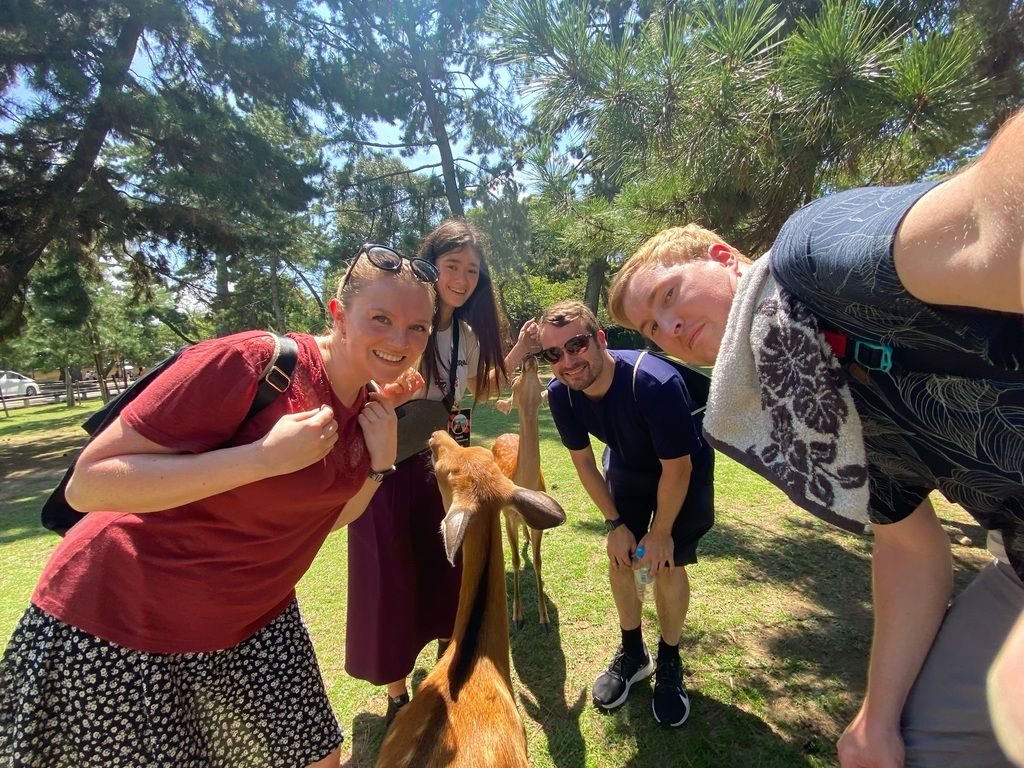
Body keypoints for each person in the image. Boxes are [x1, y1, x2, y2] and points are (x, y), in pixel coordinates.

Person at [607, 108, 1024, 767]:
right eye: (650, 330)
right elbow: (910, 546)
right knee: (919, 748)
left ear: (725, 258)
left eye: (668, 294)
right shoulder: (809, 405)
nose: (666, 327)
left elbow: (992, 217)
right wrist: (876, 718)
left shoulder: (813, 257)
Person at [0, 244, 437, 768]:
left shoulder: (370, 409)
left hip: (255, 618)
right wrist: (260, 459)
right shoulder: (254, 361)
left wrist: (377, 464)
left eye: (418, 328)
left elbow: (330, 517)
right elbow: (88, 484)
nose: (400, 340)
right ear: (338, 314)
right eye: (381, 319)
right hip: (121, 618)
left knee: (319, 757)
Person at [345, 218, 538, 726]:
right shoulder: (405, 316)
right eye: (452, 264)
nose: (462, 277)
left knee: (445, 567)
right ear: (432, 263)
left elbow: (476, 390)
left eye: (472, 270)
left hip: (442, 466)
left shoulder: (468, 335)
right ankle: (396, 696)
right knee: (390, 573)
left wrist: (518, 351)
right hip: (387, 462)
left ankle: (446, 670)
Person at [538, 299, 714, 727]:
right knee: (622, 557)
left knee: (665, 563)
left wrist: (661, 532)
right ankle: (634, 652)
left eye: (576, 344)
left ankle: (670, 662)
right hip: (629, 465)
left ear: (600, 340)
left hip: (682, 467)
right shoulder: (562, 394)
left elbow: (678, 469)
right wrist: (615, 525)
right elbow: (583, 464)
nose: (567, 361)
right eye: (553, 354)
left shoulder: (653, 383)